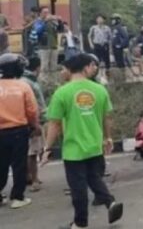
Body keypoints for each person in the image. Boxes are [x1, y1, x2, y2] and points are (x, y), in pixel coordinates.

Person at [42, 54, 124, 229]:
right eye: (91, 65)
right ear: (85, 68)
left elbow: (54, 124)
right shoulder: (99, 90)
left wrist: (47, 148)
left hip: (74, 150)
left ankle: (80, 223)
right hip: (94, 146)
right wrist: (107, 138)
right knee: (94, 178)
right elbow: (107, 117)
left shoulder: (62, 93)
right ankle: (110, 202)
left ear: (70, 70)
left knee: (78, 187)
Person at [0, 53, 38, 209]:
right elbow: (32, 110)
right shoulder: (23, 86)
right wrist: (35, 126)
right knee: (19, 165)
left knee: (1, 164)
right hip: (18, 131)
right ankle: (17, 197)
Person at [22, 56, 47, 193]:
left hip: (30, 120)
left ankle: (28, 176)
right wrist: (35, 123)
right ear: (38, 67)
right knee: (32, 152)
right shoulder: (28, 82)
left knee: (30, 151)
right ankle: (34, 180)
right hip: (32, 120)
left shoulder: (26, 80)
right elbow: (31, 105)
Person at [31, 6, 64, 82]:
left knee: (53, 66)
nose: (47, 14)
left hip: (53, 46)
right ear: (40, 13)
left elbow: (60, 30)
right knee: (44, 66)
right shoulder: (38, 21)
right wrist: (45, 21)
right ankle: (43, 82)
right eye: (44, 12)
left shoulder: (52, 22)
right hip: (43, 46)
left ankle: (53, 82)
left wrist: (60, 21)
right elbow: (38, 30)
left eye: (47, 12)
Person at [88, 15, 112, 83]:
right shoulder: (93, 28)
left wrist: (110, 47)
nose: (99, 20)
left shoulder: (107, 28)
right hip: (97, 45)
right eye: (98, 19)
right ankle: (98, 76)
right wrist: (91, 44)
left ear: (103, 20)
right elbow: (89, 36)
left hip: (104, 45)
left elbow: (110, 38)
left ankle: (107, 76)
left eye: (101, 19)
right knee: (96, 60)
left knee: (106, 61)